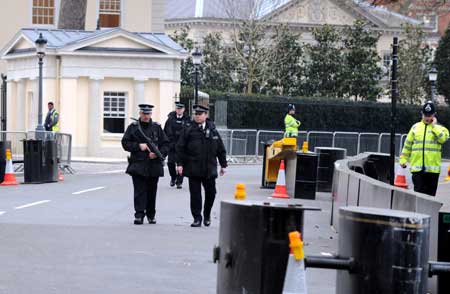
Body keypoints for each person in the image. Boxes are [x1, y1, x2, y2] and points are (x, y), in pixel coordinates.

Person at [176, 105, 227, 227]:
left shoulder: (212, 129)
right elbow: (180, 147)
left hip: (209, 168)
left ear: (206, 115)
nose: (197, 116)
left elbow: (220, 148)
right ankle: (197, 218)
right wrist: (179, 164)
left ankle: (207, 213)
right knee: (195, 195)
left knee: (211, 193)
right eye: (196, 114)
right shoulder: (188, 129)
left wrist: (223, 164)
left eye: (200, 114)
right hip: (193, 167)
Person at [121, 104, 169, 225]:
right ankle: (139, 214)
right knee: (139, 191)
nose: (146, 116)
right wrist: (138, 146)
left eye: (148, 113)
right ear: (140, 114)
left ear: (151, 114)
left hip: (153, 165)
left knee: (152, 191)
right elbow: (125, 143)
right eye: (144, 113)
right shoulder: (133, 127)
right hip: (138, 164)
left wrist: (158, 154)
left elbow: (166, 145)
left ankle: (151, 215)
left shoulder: (157, 128)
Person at [400, 101, 449, 196]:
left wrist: (434, 127)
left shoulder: (441, 129)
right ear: (422, 114)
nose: (427, 117)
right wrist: (403, 159)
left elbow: (443, 139)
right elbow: (407, 145)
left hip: (432, 171)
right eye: (425, 115)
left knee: (430, 198)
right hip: (417, 170)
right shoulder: (415, 127)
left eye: (430, 115)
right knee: (419, 197)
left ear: (434, 115)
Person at [164, 102, 191, 189]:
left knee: (181, 164)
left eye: (180, 109)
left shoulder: (188, 120)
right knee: (170, 163)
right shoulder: (170, 119)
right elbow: (165, 131)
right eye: (177, 109)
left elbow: (190, 132)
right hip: (172, 145)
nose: (179, 110)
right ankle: (173, 177)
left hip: (182, 146)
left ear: (183, 110)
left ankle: (179, 182)